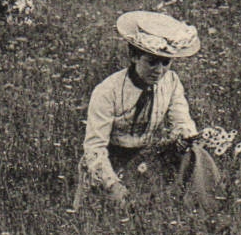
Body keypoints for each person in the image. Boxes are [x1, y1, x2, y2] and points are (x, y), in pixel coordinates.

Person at [76, 11, 220, 209]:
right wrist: (112, 185)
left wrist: (186, 138)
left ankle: (203, 210)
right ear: (134, 56)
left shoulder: (171, 82)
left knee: (195, 153)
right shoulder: (107, 91)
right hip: (111, 161)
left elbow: (182, 121)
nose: (159, 70)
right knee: (112, 215)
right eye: (151, 62)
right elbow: (94, 148)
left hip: (147, 159)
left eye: (165, 62)